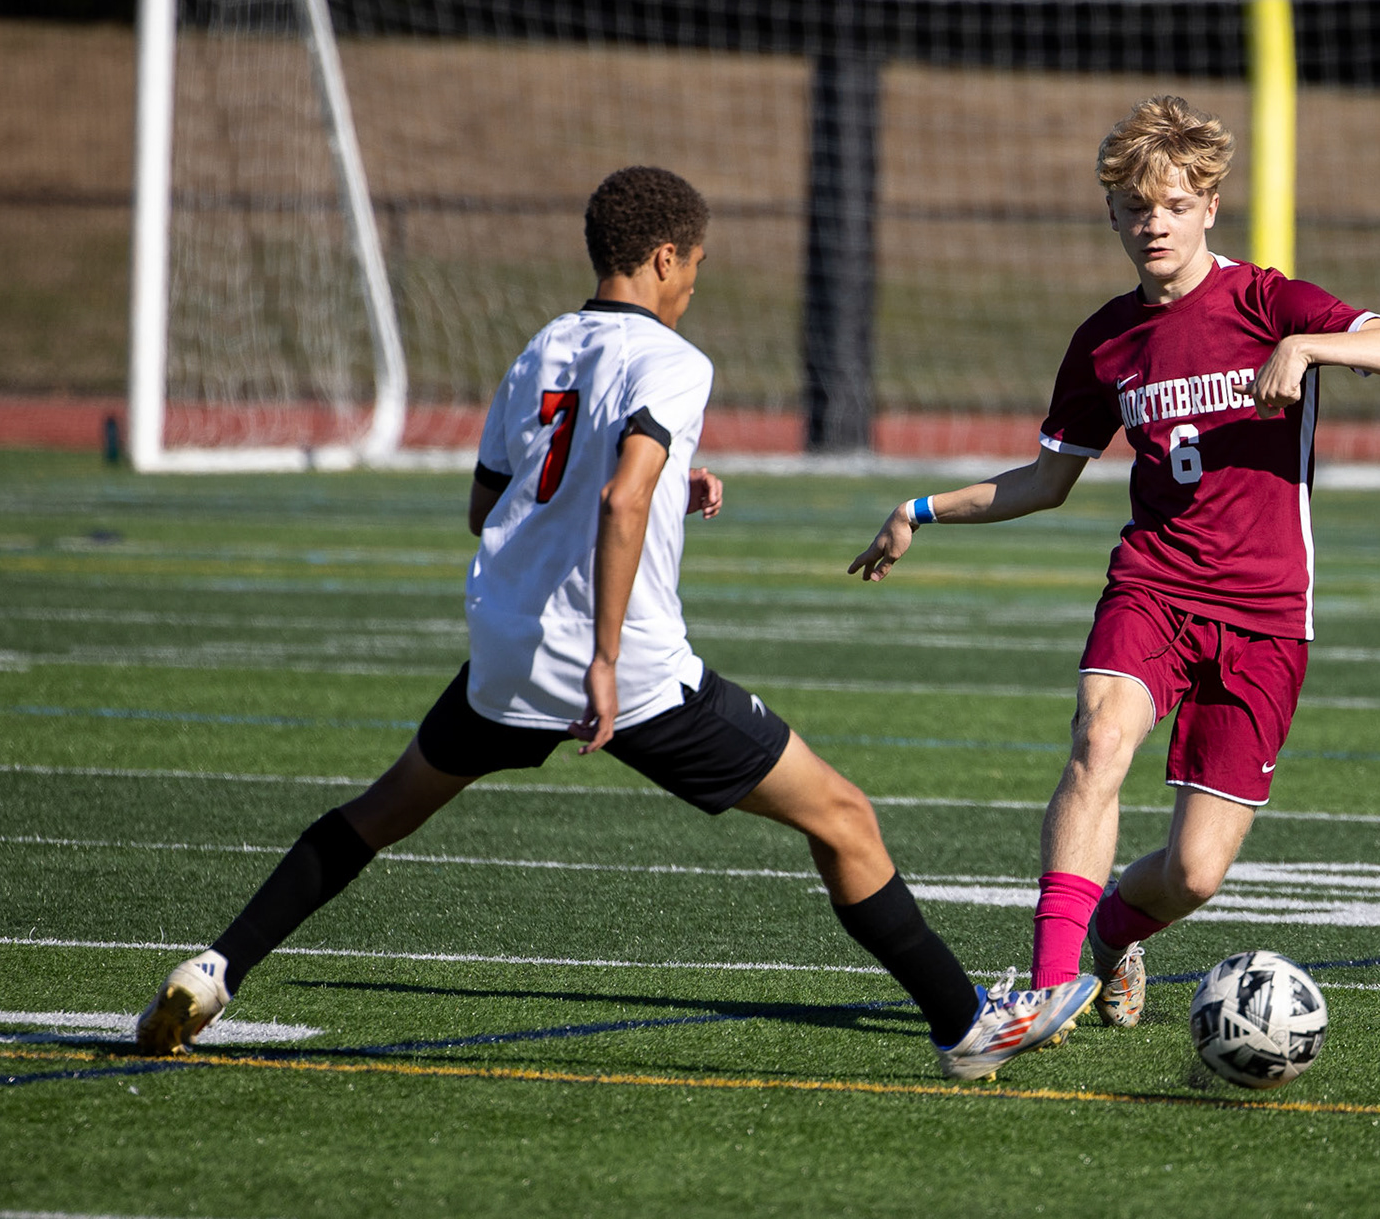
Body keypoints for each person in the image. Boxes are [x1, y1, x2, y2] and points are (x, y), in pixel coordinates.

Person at [136, 166, 1098, 1080]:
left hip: (507, 651)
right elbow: (619, 498)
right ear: (668, 258)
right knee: (843, 816)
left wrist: (671, 480)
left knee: (376, 815)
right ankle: (965, 1025)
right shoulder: (674, 360)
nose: (693, 290)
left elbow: (494, 505)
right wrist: (604, 655)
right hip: (626, 669)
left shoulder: (542, 347)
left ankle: (214, 968)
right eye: (697, 269)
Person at [848, 97, 1380, 1026]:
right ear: (1114, 218)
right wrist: (920, 509)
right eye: (1135, 208)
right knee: (1098, 740)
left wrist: (1310, 344)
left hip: (1265, 617)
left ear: (1211, 205)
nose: (1153, 223)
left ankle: (1113, 934)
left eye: (1172, 203)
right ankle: (1048, 989)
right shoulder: (1105, 339)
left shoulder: (1267, 301)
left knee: (1196, 871)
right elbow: (1047, 481)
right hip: (1153, 587)